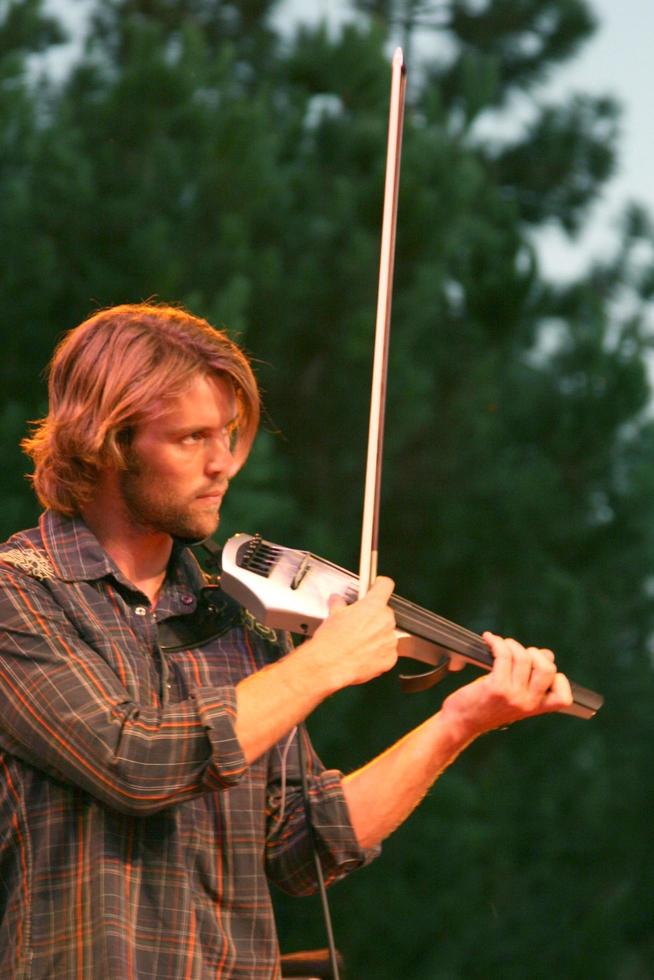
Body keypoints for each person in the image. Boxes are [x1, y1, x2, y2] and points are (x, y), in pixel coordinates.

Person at [0, 303, 572, 979]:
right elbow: (136, 761)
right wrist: (321, 666)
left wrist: (458, 724)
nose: (223, 465)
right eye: (191, 439)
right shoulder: (21, 595)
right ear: (109, 442)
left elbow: (307, 845)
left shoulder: (233, 618)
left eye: (228, 436)